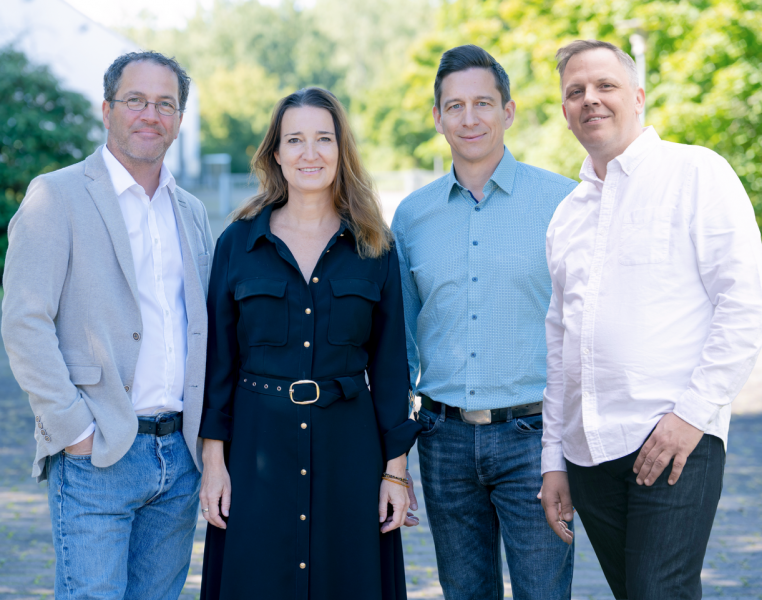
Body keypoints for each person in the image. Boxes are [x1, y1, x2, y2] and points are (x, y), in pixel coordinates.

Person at [540, 39, 762, 600]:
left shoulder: (697, 173)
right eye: (576, 91)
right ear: (565, 110)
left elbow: (745, 301)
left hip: (675, 437)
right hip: (588, 454)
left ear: (637, 97)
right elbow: (559, 348)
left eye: (605, 85)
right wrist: (553, 461)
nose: (590, 99)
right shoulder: (566, 216)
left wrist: (692, 415)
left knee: (658, 591)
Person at [1, 51, 214, 599]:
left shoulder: (190, 210)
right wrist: (73, 430)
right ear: (107, 109)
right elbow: (24, 321)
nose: (150, 115)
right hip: (98, 453)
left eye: (165, 104)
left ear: (179, 119)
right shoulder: (57, 195)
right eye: (135, 100)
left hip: (179, 457)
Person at [197, 87, 421, 600]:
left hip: (350, 454)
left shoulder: (374, 245)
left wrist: (395, 472)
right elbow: (218, 364)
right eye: (294, 140)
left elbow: (391, 367)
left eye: (323, 138)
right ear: (276, 153)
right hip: (256, 451)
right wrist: (214, 464)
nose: (309, 153)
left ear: (341, 150)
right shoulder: (238, 243)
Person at [391, 45, 577, 600]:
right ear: (437, 117)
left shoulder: (562, 203)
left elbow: (584, 331)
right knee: (464, 593)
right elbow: (400, 344)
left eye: (483, 103)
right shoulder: (412, 216)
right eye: (455, 106)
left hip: (535, 441)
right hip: (443, 439)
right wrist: (395, 458)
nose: (469, 118)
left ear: (508, 111)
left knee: (543, 593)